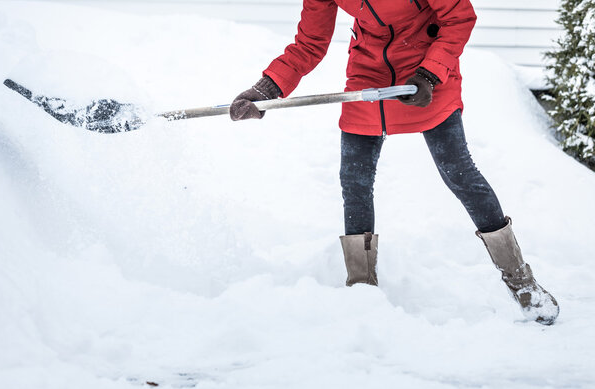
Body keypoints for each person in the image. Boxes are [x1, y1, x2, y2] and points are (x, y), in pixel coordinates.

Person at [229, 0, 559, 325]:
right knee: (354, 180)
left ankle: (521, 282)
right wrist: (265, 90)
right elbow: (310, 43)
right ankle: (361, 290)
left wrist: (429, 74)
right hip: (368, 75)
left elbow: (459, 16)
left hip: (427, 71)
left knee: (458, 173)